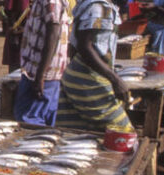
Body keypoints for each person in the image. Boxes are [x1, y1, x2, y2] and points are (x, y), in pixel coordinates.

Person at [55, 0, 135, 133]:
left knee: (77, 133)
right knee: (123, 132)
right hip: (88, 81)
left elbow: (76, 47)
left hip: (79, 77)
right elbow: (85, 47)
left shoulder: (94, 5)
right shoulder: (100, 8)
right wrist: (116, 80)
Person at [13, 0, 71, 126]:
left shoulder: (51, 1)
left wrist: (40, 76)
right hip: (36, 71)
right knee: (42, 116)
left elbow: (53, 32)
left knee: (29, 119)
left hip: (42, 72)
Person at [1, 0, 28, 72]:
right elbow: (8, 10)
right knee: (16, 63)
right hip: (18, 33)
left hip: (29, 31)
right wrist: (14, 26)